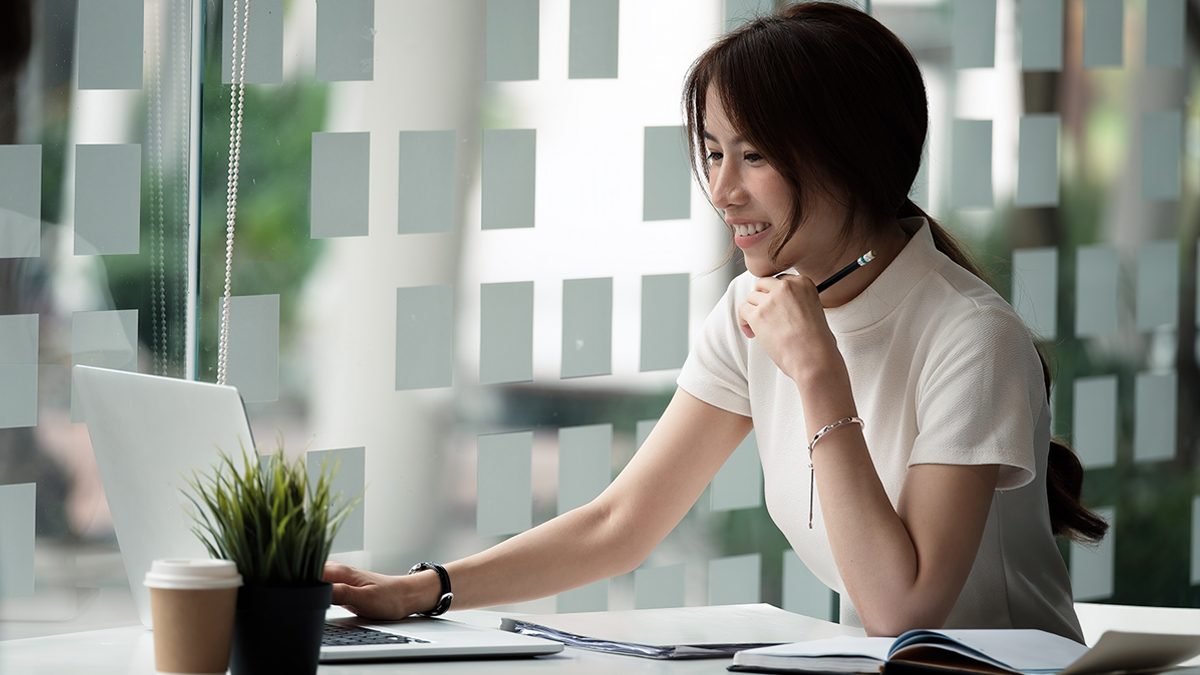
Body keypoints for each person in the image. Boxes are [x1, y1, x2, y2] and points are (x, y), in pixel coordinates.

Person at [323, 3, 1106, 640]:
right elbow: (621, 522)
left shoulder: (971, 337)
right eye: (712, 152)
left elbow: (903, 611)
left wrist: (818, 372)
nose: (723, 190)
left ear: (853, 157)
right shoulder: (753, 310)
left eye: (755, 156)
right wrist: (428, 588)